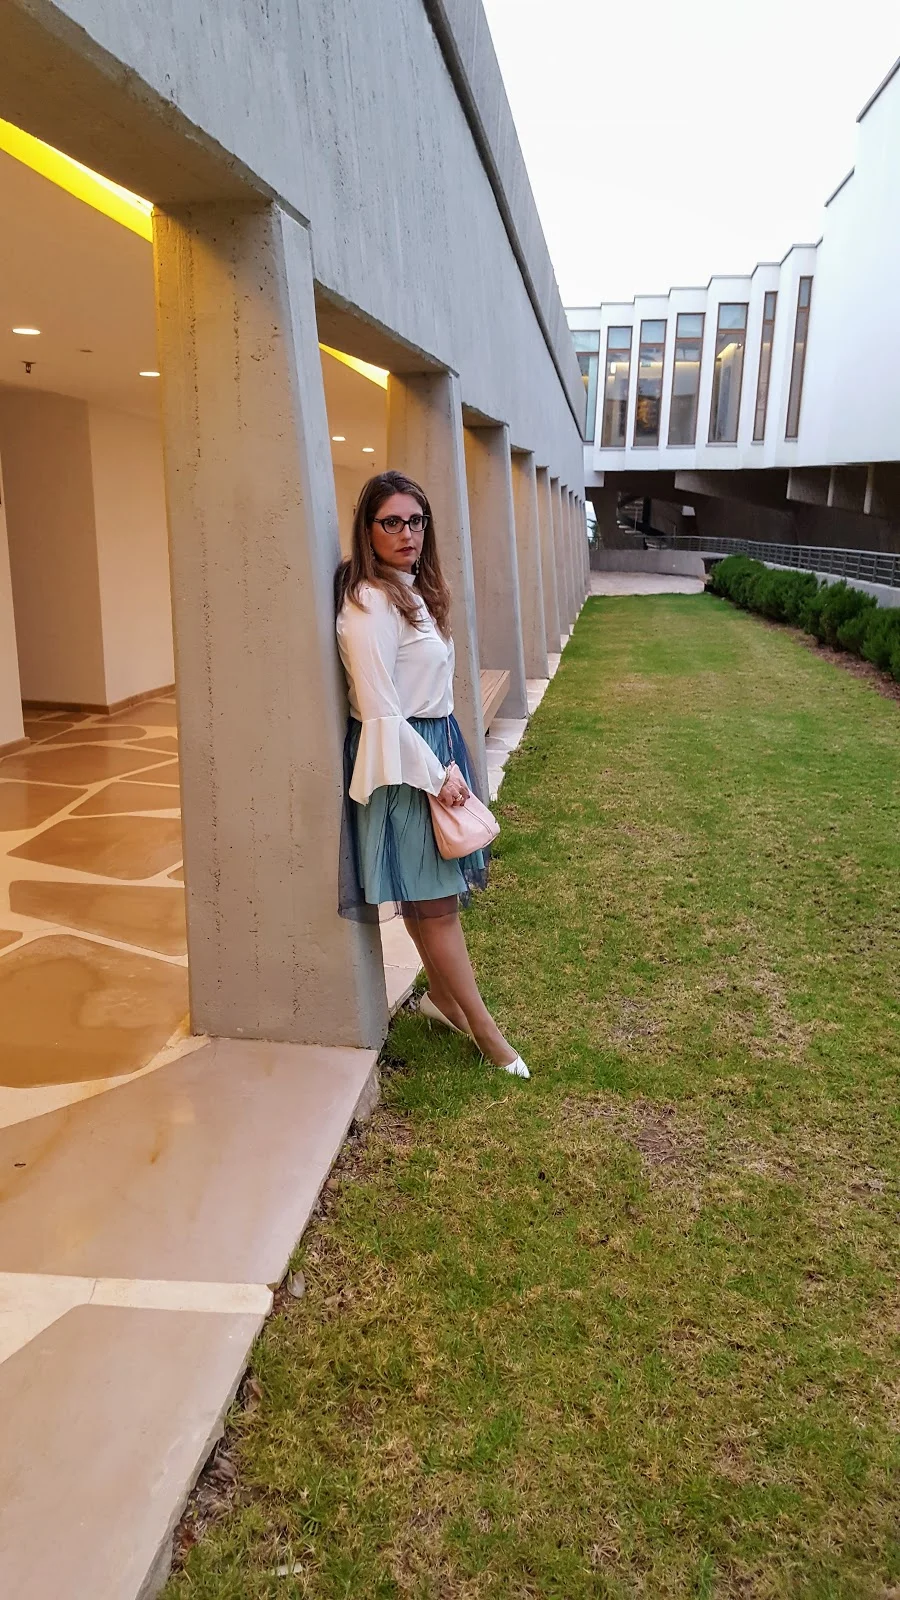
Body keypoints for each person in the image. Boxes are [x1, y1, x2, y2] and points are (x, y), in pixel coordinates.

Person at [335, 469, 529, 1078]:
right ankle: (489, 1036)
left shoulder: (410, 590)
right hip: (406, 762)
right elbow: (379, 709)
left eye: (416, 521)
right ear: (368, 529)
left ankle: (444, 1000)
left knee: (429, 900)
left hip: (433, 746)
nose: (407, 533)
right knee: (437, 905)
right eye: (391, 522)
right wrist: (437, 774)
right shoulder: (369, 602)